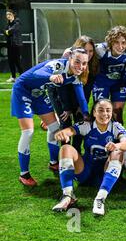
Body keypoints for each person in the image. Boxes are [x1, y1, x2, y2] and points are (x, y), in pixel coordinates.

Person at [11, 49, 89, 186]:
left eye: (84, 63)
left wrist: (86, 114)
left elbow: (81, 99)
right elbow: (38, 73)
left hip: (39, 94)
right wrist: (51, 77)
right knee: (28, 132)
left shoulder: (76, 76)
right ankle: (24, 174)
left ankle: (54, 162)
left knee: (55, 128)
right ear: (70, 58)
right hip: (22, 89)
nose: (80, 66)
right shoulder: (58, 65)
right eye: (77, 62)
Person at [52, 99, 126, 216]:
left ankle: (100, 199)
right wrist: (64, 133)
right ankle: (68, 195)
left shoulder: (116, 127)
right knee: (65, 149)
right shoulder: (87, 125)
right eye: (100, 110)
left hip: (106, 174)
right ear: (94, 113)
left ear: (112, 112)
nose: (105, 114)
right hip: (85, 172)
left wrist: (117, 145)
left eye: (108, 110)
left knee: (118, 152)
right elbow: (71, 130)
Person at [45, 36, 99, 154]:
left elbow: (87, 88)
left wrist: (81, 107)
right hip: (58, 91)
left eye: (91, 51)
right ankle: (66, 153)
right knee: (66, 121)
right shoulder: (69, 58)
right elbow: (62, 88)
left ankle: (77, 152)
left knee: (80, 120)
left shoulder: (93, 64)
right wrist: (67, 108)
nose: (88, 54)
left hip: (76, 92)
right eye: (86, 50)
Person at [92, 25, 126, 124]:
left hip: (119, 83)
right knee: (100, 110)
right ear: (110, 42)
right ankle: (98, 137)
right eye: (116, 42)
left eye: (124, 43)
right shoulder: (100, 50)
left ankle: (118, 138)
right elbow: (85, 46)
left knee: (118, 112)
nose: (120, 46)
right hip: (102, 82)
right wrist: (68, 51)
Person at [4, 9, 24, 83]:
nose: (8, 16)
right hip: (10, 44)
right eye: (7, 15)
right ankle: (13, 77)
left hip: (16, 45)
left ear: (13, 15)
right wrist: (7, 32)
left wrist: (8, 32)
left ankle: (22, 76)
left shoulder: (17, 22)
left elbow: (11, 31)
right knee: (10, 61)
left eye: (9, 14)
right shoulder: (8, 23)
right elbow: (4, 31)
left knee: (17, 61)